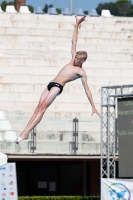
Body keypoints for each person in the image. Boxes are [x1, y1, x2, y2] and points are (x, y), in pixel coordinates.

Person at [15, 16, 100, 143]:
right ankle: (24, 133)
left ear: (83, 61)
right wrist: (77, 24)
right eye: (75, 57)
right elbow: (74, 41)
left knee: (43, 108)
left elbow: (87, 90)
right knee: (38, 107)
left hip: (58, 86)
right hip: (50, 84)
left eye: (77, 59)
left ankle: (27, 132)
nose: (75, 59)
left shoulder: (81, 72)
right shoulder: (72, 60)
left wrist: (93, 106)